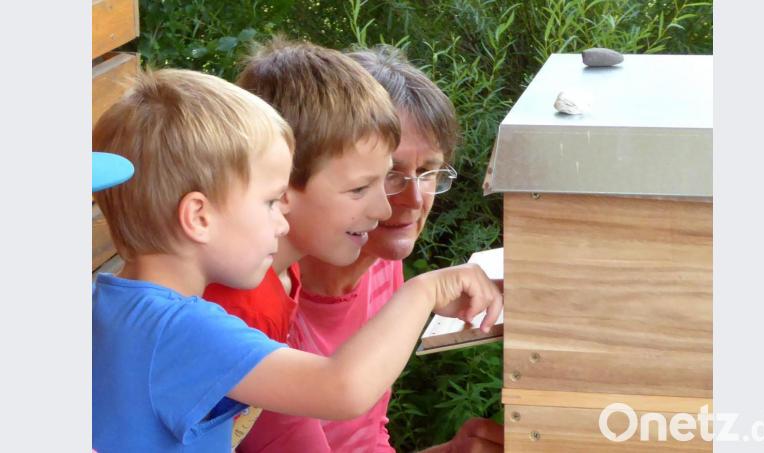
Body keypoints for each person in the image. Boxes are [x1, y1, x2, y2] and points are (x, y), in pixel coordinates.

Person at [91, 68, 502, 452]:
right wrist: (426, 290)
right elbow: (341, 390)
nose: (282, 222)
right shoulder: (182, 328)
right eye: (270, 202)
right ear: (200, 217)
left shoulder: (108, 305)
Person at [240, 45, 504, 452]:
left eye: (429, 171)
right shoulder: (254, 312)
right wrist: (424, 292)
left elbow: (362, 440)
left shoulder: (378, 263)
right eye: (386, 176)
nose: (414, 200)